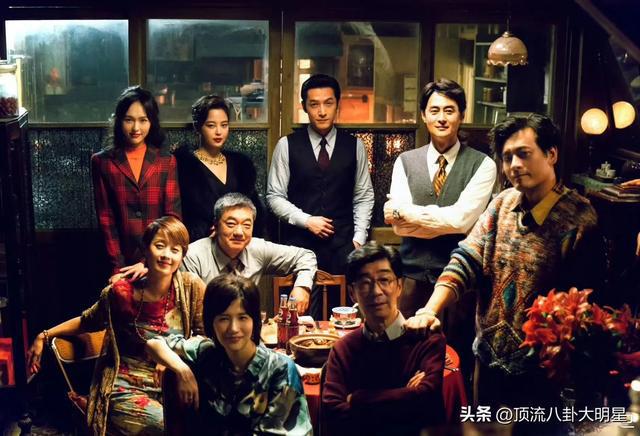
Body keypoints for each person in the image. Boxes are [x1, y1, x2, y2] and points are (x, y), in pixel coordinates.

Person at [405, 114, 604, 412]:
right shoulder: (502, 203)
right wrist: (429, 310)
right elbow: (466, 259)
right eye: (507, 157)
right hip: (487, 360)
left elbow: (583, 308)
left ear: (551, 154)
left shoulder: (580, 220)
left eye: (524, 154)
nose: (514, 165)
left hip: (543, 375)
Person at [26, 216, 205, 436]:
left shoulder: (191, 287)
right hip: (126, 387)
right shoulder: (121, 293)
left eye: (175, 250)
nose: (167, 255)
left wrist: (174, 359)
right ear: (145, 250)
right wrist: (44, 335)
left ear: (182, 256)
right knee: (169, 430)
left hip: (172, 382)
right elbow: (88, 320)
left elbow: (205, 336)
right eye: (159, 246)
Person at [384, 78, 496, 319]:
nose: (441, 118)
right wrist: (445, 222)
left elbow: (460, 222)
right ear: (424, 115)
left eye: (449, 110)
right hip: (410, 281)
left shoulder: (483, 164)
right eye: (434, 111)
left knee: (456, 344)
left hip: (460, 284)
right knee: (406, 342)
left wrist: (405, 212)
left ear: (462, 115)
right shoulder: (405, 161)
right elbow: (399, 229)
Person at [146, 274, 313, 435]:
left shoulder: (280, 369)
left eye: (242, 317)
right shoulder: (206, 352)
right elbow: (154, 343)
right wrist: (183, 370)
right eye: (223, 318)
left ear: (255, 321)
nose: (233, 328)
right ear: (211, 322)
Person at [267, 73, 374, 319]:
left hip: (343, 246)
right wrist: (306, 220)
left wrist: (358, 239)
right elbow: (274, 196)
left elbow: (364, 195)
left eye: (328, 103)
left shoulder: (355, 146)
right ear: (304, 106)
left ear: (338, 105)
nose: (322, 111)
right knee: (298, 317)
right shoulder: (287, 145)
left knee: (344, 318)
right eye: (314, 104)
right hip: (298, 247)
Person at [323, 241, 446, 435]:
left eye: (384, 280)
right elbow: (333, 412)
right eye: (365, 283)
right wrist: (407, 396)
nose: (376, 291)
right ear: (352, 293)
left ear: (399, 286)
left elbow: (426, 401)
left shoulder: (426, 338)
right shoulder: (343, 348)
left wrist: (357, 399)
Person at [91, 86, 181, 278]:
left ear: (152, 122)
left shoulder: (166, 161)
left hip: (159, 260)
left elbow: (172, 216)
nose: (136, 128)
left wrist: (147, 261)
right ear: (119, 121)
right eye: (129, 120)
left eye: (143, 120)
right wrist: (118, 267)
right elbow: (106, 219)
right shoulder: (103, 162)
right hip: (120, 261)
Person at [181, 192, 316, 314]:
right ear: (215, 226)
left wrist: (302, 287)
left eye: (246, 225)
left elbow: (305, 256)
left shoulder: (257, 248)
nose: (239, 232)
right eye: (231, 224)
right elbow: (190, 312)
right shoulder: (193, 256)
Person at [174, 95, 265, 242]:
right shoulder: (184, 166)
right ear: (198, 127)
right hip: (200, 243)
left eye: (224, 125)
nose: (218, 132)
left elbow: (255, 211)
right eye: (211, 125)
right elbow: (181, 213)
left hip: (239, 241)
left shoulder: (241, 165)